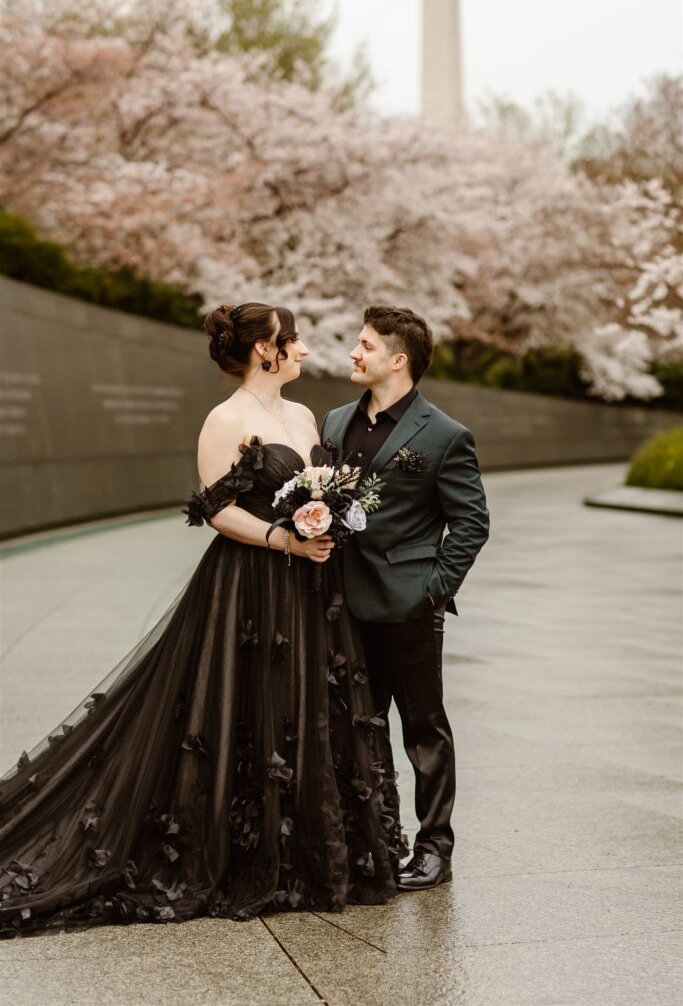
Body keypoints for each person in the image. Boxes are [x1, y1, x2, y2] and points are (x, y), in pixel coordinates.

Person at [0, 302, 407, 938]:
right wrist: (286, 539)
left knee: (307, 706)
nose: (301, 349)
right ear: (263, 352)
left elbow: (322, 489)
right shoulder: (225, 420)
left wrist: (326, 521)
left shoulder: (301, 416)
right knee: (246, 704)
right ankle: (246, 854)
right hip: (252, 585)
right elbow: (216, 512)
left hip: (311, 588)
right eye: (290, 340)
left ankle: (310, 853)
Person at [321, 305, 490, 891]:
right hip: (340, 603)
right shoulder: (336, 420)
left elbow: (472, 522)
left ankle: (435, 848)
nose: (353, 353)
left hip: (407, 607)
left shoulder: (444, 435)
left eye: (364, 345)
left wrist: (433, 590)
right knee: (353, 725)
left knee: (423, 729)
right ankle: (369, 840)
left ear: (398, 360)